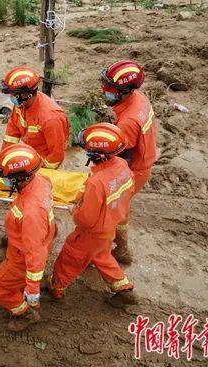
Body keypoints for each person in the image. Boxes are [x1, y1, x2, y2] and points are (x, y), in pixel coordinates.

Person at [46, 123, 137, 307]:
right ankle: (123, 288)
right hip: (109, 226)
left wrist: (75, 210)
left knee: (69, 258)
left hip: (91, 233)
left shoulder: (97, 183)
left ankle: (56, 287)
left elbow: (85, 220)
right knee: (102, 256)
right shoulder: (121, 166)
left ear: (96, 155)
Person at [0, 144, 56, 332]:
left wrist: (33, 289)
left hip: (21, 257)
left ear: (20, 178)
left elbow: (35, 253)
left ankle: (25, 313)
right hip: (28, 241)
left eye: (6, 177)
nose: (4, 180)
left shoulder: (32, 212)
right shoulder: (41, 181)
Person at [100, 60, 157, 264]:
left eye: (109, 87)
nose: (103, 90)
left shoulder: (128, 122)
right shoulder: (139, 98)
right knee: (121, 207)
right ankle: (121, 249)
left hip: (136, 169)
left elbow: (119, 158)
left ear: (124, 90)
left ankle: (117, 250)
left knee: (110, 209)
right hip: (144, 158)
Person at [0, 66, 69, 169]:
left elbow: (56, 157)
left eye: (13, 94)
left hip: (44, 164)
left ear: (25, 94)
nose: (11, 97)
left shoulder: (51, 118)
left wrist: (37, 172)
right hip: (30, 156)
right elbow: (12, 133)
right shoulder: (21, 104)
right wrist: (5, 159)